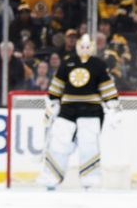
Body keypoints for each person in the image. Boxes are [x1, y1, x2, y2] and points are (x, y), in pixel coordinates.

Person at [37, 34, 120, 189]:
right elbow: (57, 85)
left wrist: (114, 107)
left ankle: (90, 179)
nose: (84, 49)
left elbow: (107, 87)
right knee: (58, 142)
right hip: (67, 108)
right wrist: (52, 104)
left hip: (92, 109)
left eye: (88, 47)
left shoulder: (99, 65)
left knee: (89, 145)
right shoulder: (68, 63)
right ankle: (51, 177)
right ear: (77, 47)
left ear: (93, 47)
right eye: (82, 46)